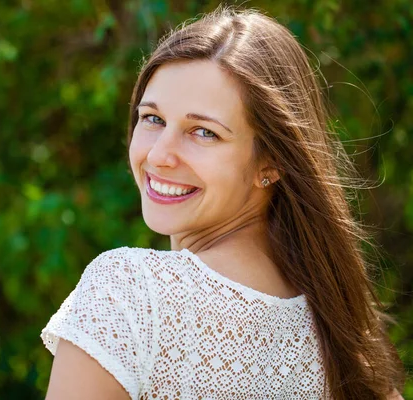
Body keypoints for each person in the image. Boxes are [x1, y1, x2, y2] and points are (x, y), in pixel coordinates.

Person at [40, 7, 405, 400]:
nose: (161, 155)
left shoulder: (130, 291)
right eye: (153, 119)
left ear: (273, 160)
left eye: (203, 132)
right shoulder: (344, 329)